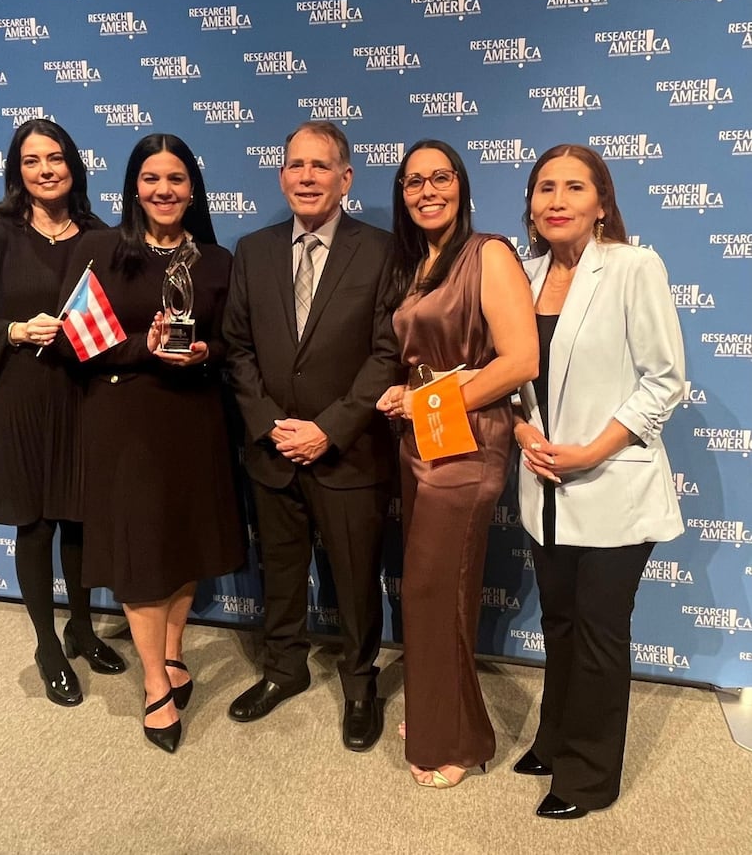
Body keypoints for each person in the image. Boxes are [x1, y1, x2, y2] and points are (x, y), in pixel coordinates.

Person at [511, 144, 685, 818]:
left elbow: (664, 381)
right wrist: (522, 432)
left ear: (602, 203)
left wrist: (590, 451)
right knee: (559, 622)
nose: (556, 200)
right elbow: (509, 377)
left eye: (574, 187)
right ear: (530, 203)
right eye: (544, 187)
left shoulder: (633, 267)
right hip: (544, 487)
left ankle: (587, 777)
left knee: (598, 632)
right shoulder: (521, 275)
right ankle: (554, 739)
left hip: (613, 484)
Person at [223, 120, 403, 751]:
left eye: (320, 166)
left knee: (355, 578)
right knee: (280, 569)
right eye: (295, 165)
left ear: (345, 178)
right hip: (273, 448)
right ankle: (284, 668)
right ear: (281, 177)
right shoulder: (253, 250)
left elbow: (387, 353)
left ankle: (359, 684)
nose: (306, 177)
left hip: (348, 451)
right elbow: (237, 348)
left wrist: (328, 429)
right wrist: (272, 425)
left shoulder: (381, 251)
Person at [61, 133, 244, 753]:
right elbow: (74, 340)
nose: (164, 190)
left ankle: (171, 652)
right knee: (141, 554)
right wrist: (147, 346)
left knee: (183, 542)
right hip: (126, 423)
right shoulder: (99, 249)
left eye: (175, 178)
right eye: (151, 178)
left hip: (194, 418)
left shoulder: (216, 260)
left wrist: (203, 352)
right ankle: (154, 684)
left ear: (193, 189)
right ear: (134, 188)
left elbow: (233, 341)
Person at [376, 140, 538, 787]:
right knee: (432, 589)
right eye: (413, 181)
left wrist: (427, 400)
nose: (427, 191)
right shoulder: (418, 263)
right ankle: (437, 711)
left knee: (434, 587)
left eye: (439, 177)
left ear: (461, 186)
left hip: (468, 442)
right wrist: (407, 395)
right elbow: (422, 360)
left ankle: (456, 740)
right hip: (423, 437)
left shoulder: (487, 253)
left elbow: (519, 361)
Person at [0, 119, 125, 707]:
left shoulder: (99, 235)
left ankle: (82, 628)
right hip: (18, 399)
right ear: (16, 171)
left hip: (80, 397)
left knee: (78, 519)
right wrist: (16, 330)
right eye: (31, 161)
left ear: (72, 164)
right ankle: (48, 647)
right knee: (36, 524)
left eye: (54, 158)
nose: (45, 170)